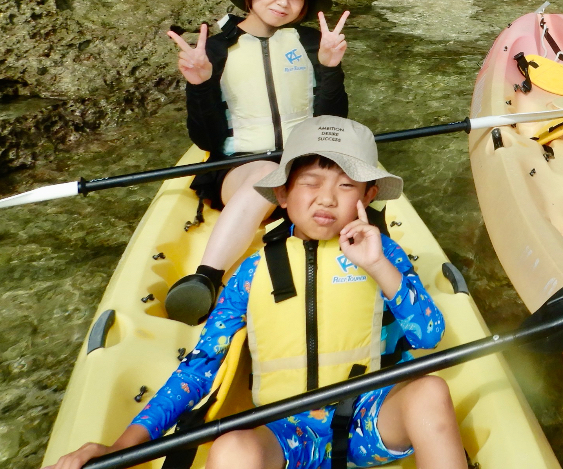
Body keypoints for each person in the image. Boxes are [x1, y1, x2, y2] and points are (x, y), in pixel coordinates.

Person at [46, 117, 466, 469]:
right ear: (282, 194)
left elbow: (429, 335)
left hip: (368, 419)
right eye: (310, 182)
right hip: (285, 431)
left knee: (430, 392)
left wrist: (378, 265)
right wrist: (123, 447)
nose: (326, 198)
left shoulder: (382, 253)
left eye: (345, 185)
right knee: (232, 447)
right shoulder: (252, 273)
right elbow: (200, 367)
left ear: (368, 195)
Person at [163, 0, 351, 325]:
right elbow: (205, 138)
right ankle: (207, 277)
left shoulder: (314, 44)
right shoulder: (216, 50)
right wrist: (199, 85)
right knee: (264, 175)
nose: (285, 3)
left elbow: (334, 121)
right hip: (241, 165)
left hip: (305, 160)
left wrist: (330, 69)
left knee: (330, 180)